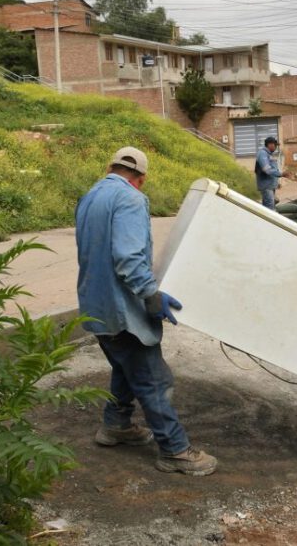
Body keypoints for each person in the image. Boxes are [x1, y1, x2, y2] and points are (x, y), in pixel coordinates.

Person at [75, 147, 217, 476]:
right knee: (154, 380)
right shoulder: (131, 199)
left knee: (125, 367)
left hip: (95, 307)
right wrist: (151, 295)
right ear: (140, 179)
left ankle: (116, 426)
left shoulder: (90, 196)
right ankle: (175, 450)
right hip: (121, 310)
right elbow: (128, 258)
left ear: (110, 167)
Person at [255, 136, 289, 210]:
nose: (276, 147)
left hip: (270, 186)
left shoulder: (269, 155)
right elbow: (267, 169)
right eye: (275, 145)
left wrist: (277, 183)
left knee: (268, 207)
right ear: (270, 144)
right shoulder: (262, 154)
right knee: (270, 209)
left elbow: (273, 169)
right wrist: (281, 174)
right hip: (266, 186)